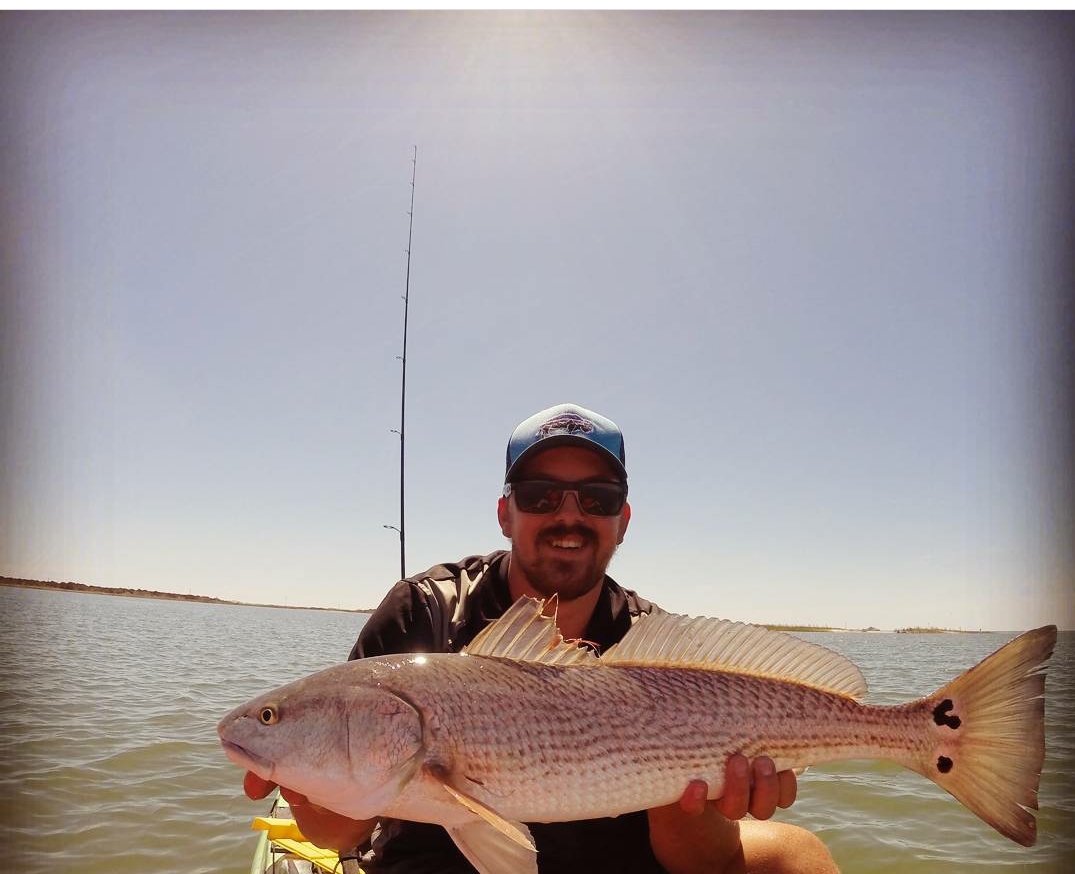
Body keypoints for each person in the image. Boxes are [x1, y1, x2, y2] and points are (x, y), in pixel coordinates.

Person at [244, 403, 840, 874]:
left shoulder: (656, 642)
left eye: (597, 499)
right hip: (438, 863)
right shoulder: (423, 610)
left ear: (622, 521)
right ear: (505, 513)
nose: (568, 515)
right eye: (540, 496)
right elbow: (336, 834)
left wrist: (691, 802)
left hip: (621, 860)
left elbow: (701, 863)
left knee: (798, 854)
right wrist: (315, 796)